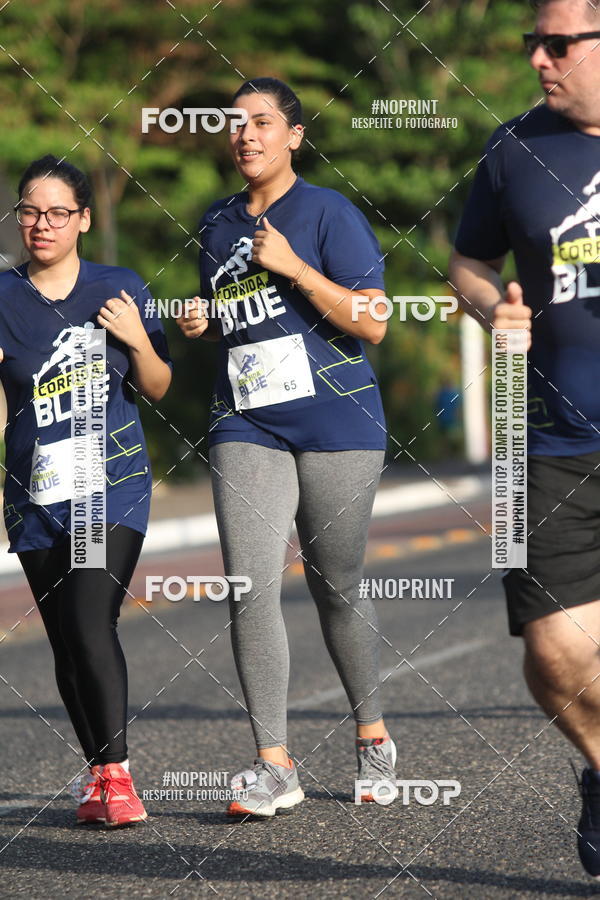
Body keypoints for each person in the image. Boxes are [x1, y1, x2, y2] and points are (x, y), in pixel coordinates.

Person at [178, 77, 396, 817]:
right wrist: (204, 321)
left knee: (337, 588)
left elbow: (373, 322)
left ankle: (372, 734)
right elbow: (238, 315)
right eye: (235, 124)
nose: (246, 135)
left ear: (293, 135)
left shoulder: (329, 213)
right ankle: (274, 761)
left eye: (262, 123)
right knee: (249, 584)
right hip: (248, 422)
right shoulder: (214, 224)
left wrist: (296, 268)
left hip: (337, 427)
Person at [449, 0, 600, 877]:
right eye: (530, 45)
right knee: (552, 650)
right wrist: (489, 306)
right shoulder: (513, 148)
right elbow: (470, 261)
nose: (539, 59)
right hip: (545, 438)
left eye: (558, 44)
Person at [1, 155, 172, 827]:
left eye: (56, 212)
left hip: (112, 482)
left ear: (83, 220)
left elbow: (157, 387)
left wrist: (137, 340)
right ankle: (98, 773)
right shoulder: (3, 295)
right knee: (64, 641)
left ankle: (118, 776)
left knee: (88, 617)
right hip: (33, 491)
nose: (40, 224)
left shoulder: (118, 286)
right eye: (29, 210)